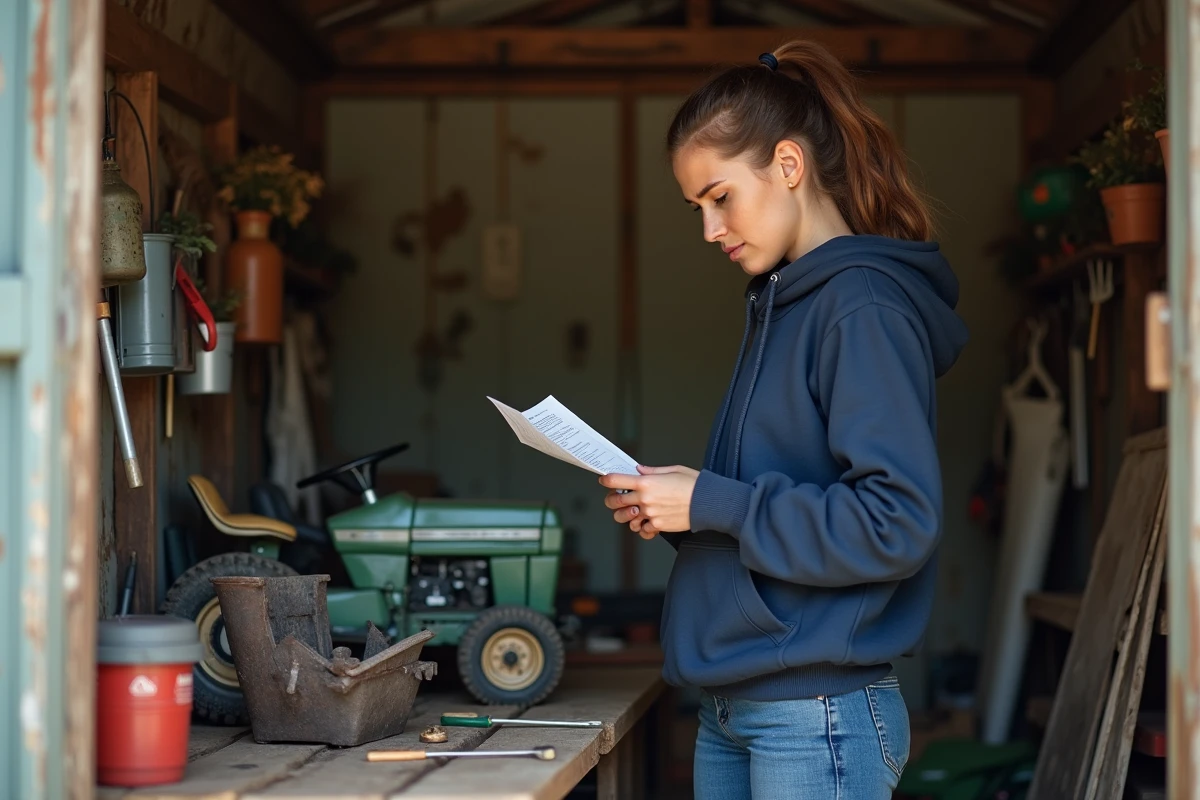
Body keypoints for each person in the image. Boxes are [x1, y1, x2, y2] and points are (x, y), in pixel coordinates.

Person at [599, 39, 968, 799]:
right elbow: (781, 501)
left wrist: (714, 501)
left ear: (789, 167)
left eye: (719, 196)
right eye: (695, 208)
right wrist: (680, 510)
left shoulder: (859, 306)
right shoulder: (783, 302)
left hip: (817, 715)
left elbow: (895, 522)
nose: (708, 229)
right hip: (737, 706)